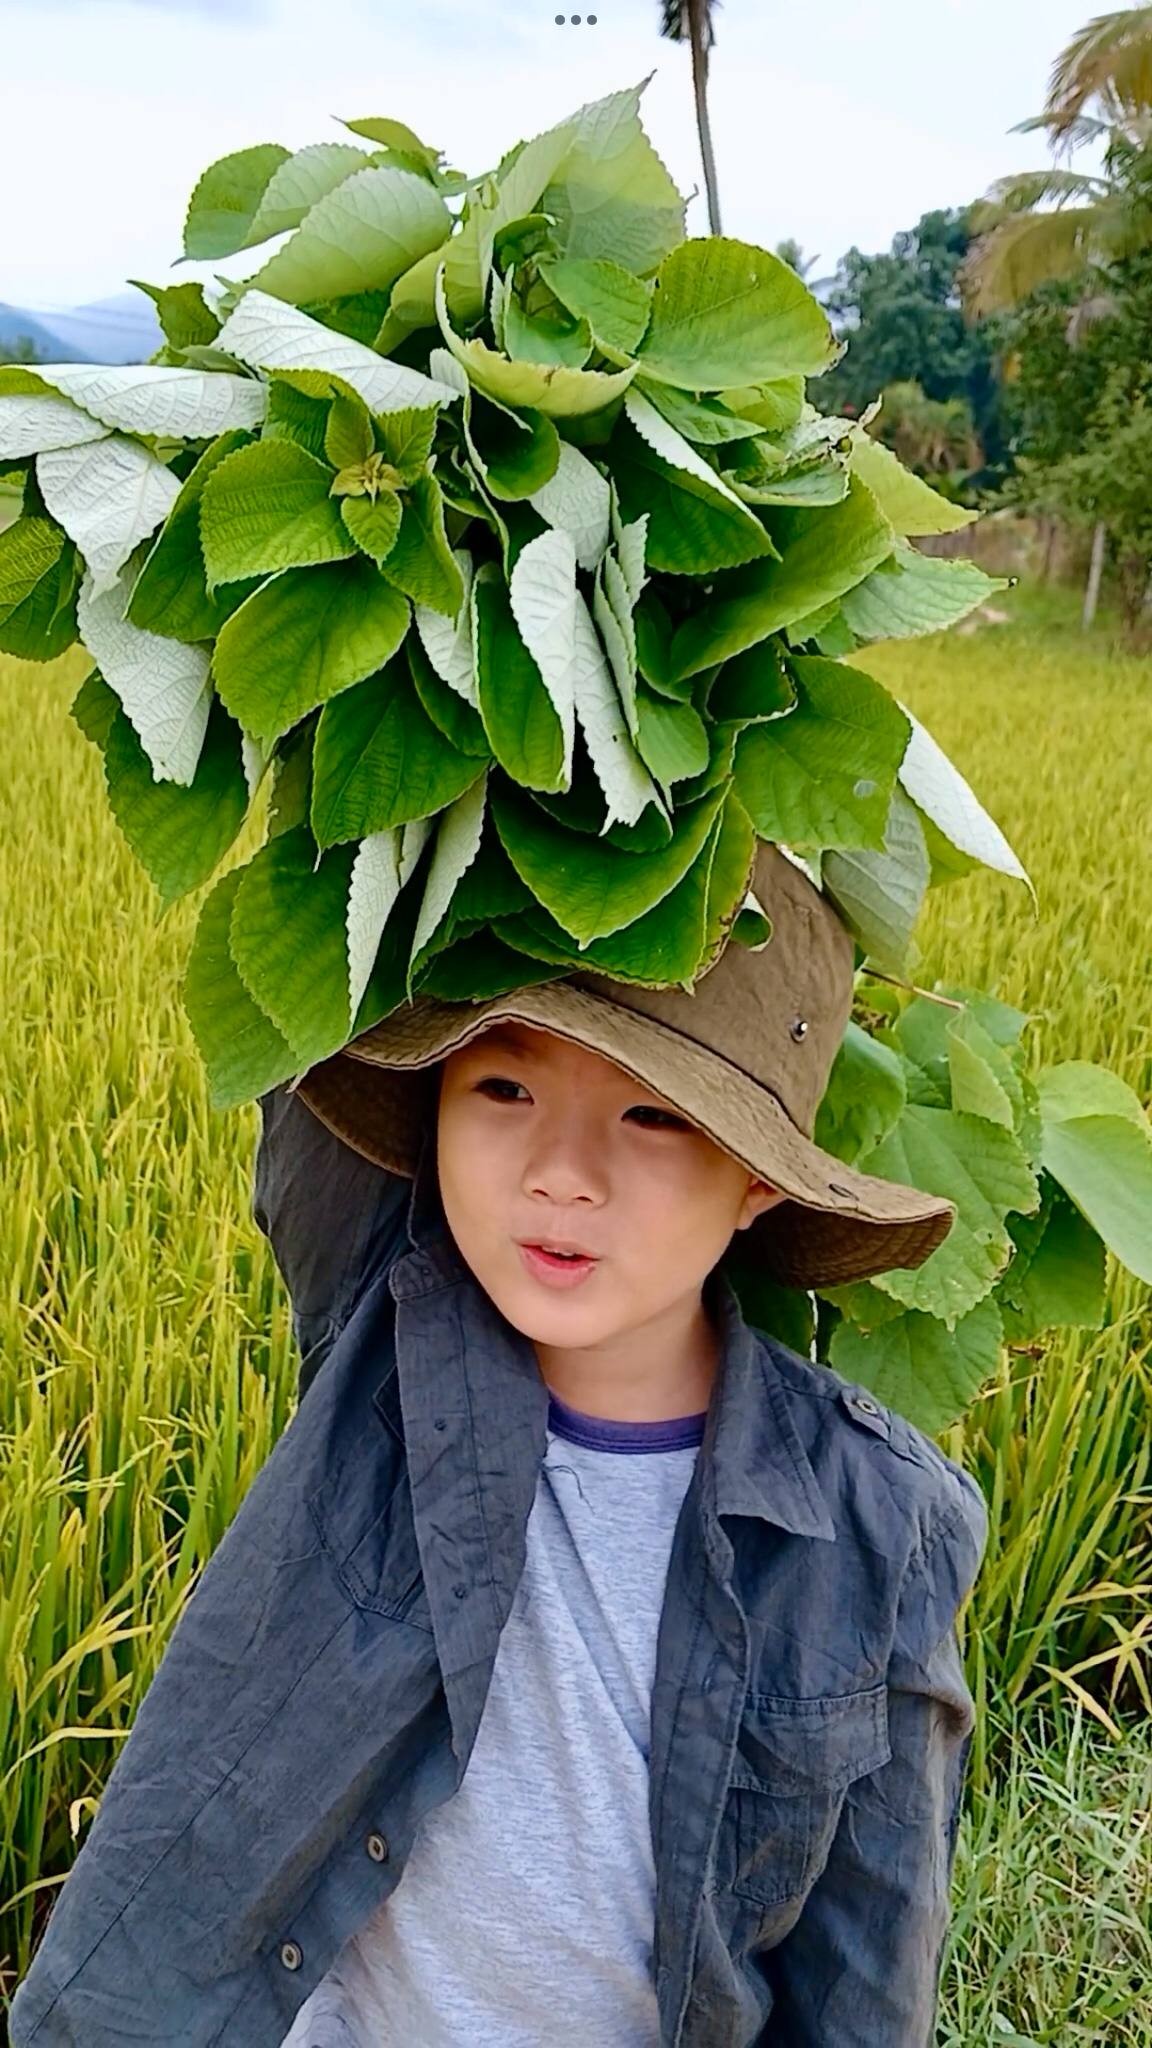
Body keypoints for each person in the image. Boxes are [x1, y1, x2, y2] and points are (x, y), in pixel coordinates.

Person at [9, 840, 988, 2048]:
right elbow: (334, 906)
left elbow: (865, 1978)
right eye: (503, 1088)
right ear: (433, 1106)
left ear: (759, 1179)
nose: (561, 1174)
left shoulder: (877, 1526)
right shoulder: (388, 1320)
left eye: (654, 1113)